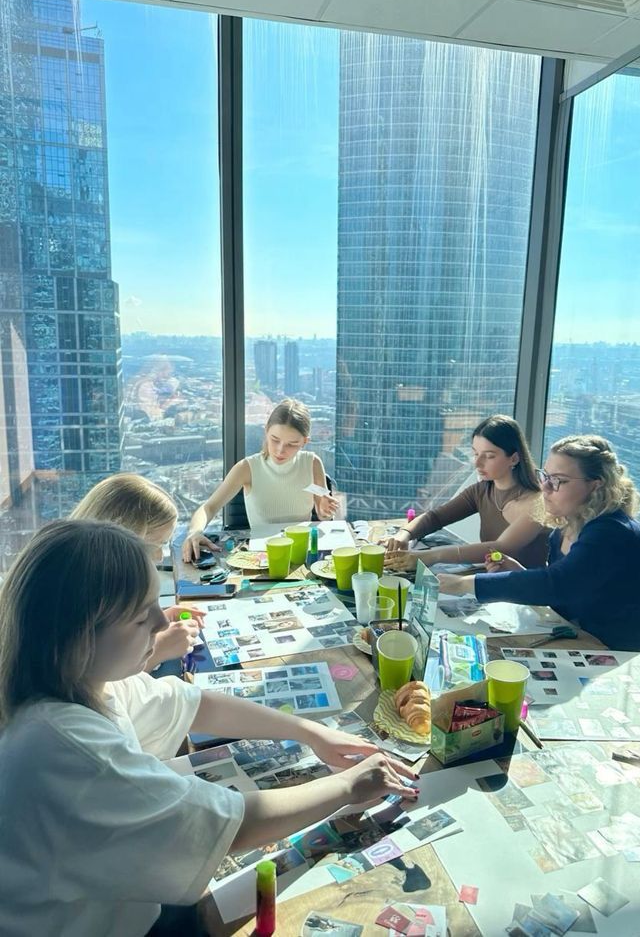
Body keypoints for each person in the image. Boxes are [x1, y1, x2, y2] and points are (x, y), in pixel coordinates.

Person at [0, 520, 417, 936]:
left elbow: (199, 705)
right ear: (78, 636)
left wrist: (312, 733)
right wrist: (350, 786)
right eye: (140, 617)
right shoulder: (65, 749)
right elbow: (233, 824)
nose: (161, 624)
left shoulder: (86, 686)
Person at [438, 434, 640, 663]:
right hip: (596, 644)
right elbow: (567, 593)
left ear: (595, 485)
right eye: (545, 477)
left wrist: (464, 584)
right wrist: (519, 571)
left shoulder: (612, 531)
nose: (544, 489)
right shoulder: (565, 529)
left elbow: (557, 584)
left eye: (559, 481)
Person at [70, 473, 204, 672]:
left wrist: (148, 625)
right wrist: (159, 649)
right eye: (154, 546)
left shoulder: (89, 572)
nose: (159, 557)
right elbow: (92, 684)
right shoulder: (84, 595)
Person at [383, 415, 548, 571]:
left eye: (489, 456)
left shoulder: (536, 502)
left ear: (514, 458)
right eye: (476, 453)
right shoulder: (482, 490)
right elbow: (436, 517)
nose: (477, 463)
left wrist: (432, 556)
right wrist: (404, 534)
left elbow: (502, 547)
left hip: (529, 593)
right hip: (494, 581)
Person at [183, 399, 337, 562]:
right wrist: (195, 532)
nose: (280, 450)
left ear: (305, 442)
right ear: (266, 431)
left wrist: (325, 511)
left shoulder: (312, 463)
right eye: (275, 439)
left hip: (302, 555)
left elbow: (322, 514)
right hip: (262, 557)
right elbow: (209, 507)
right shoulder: (247, 468)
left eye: (292, 444)